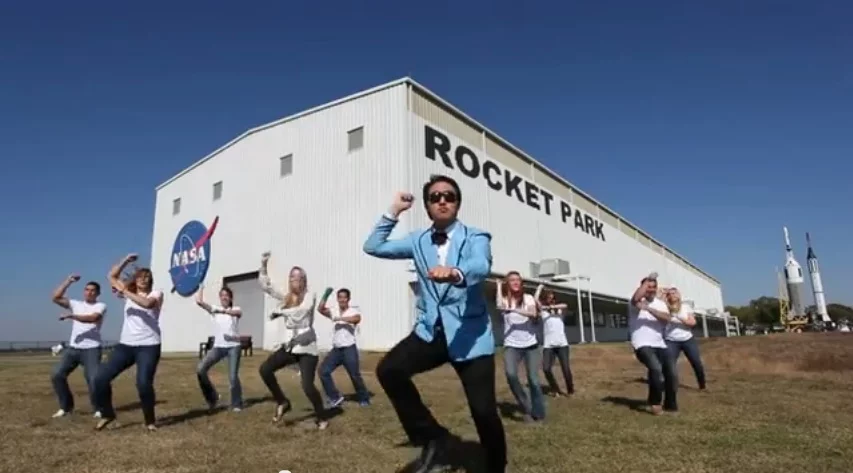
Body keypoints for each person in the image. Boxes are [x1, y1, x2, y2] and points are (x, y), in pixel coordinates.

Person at [363, 174, 507, 473]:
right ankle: (433, 437)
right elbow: (373, 246)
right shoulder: (417, 240)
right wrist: (393, 211)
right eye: (435, 197)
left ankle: (496, 466)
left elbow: (481, 265)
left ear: (457, 204)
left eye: (449, 196)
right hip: (431, 333)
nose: (442, 201)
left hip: (470, 335)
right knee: (389, 370)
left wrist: (455, 272)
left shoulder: (476, 236)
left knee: (483, 412)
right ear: (428, 206)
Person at [257, 252, 328, 429]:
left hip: (307, 348)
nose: (294, 280)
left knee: (307, 386)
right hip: (290, 347)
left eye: (297, 277)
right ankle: (282, 401)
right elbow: (267, 286)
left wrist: (280, 312)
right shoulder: (287, 296)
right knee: (265, 370)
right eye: (291, 277)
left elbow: (302, 312)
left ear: (303, 280)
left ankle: (322, 417)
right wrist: (263, 265)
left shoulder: (310, 295)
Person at [94, 253, 164, 430]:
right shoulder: (130, 292)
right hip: (126, 345)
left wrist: (124, 291)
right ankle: (107, 414)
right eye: (140, 277)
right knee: (100, 378)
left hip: (149, 345)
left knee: (143, 383)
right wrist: (125, 260)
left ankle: (150, 421)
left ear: (151, 281)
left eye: (147, 277)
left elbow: (147, 304)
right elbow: (111, 276)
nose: (143, 279)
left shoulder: (156, 293)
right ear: (136, 279)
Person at [49, 274, 107, 419]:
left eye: (93, 290)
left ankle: (99, 408)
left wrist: (71, 316)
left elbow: (93, 318)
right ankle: (66, 407)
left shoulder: (100, 306)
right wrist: (68, 281)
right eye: (87, 290)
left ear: (98, 293)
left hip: (92, 349)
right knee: (57, 375)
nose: (89, 292)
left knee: (93, 379)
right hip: (73, 349)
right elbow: (55, 297)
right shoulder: (75, 304)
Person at [496, 272, 545, 422]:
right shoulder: (505, 299)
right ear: (508, 284)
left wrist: (514, 309)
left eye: (518, 280)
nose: (516, 282)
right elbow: (499, 305)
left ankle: (539, 413)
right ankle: (527, 407)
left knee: (533, 380)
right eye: (512, 280)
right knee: (511, 375)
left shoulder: (528, 298)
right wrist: (498, 286)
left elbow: (533, 313)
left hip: (531, 345)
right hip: (511, 345)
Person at [628, 272, 677, 415]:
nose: (651, 289)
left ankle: (670, 404)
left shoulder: (660, 304)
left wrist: (649, 309)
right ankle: (655, 403)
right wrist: (647, 281)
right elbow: (636, 298)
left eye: (653, 287)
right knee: (656, 369)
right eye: (648, 287)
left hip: (660, 344)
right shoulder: (635, 303)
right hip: (642, 344)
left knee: (671, 373)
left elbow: (667, 318)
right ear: (642, 287)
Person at [194, 284, 244, 411]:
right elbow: (199, 301)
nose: (224, 298)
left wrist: (222, 311)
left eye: (226, 295)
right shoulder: (214, 309)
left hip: (234, 347)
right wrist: (201, 287)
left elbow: (237, 313)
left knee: (233, 377)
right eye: (222, 295)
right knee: (200, 369)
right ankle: (212, 398)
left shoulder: (236, 308)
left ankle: (237, 403)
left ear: (230, 298)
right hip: (218, 347)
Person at [317, 288, 370, 407]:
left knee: (354, 375)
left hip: (349, 349)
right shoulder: (334, 311)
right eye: (340, 297)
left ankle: (364, 398)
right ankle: (335, 397)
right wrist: (325, 295)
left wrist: (340, 319)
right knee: (323, 371)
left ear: (348, 299)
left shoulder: (353, 311)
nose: (342, 300)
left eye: (344, 297)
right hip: (336, 350)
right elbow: (320, 309)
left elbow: (357, 319)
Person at [664, 287, 706, 390]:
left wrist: (679, 319)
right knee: (669, 364)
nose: (672, 295)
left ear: (678, 295)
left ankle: (702, 385)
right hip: (671, 340)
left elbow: (692, 322)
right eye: (669, 294)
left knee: (696, 362)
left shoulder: (685, 307)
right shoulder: (664, 308)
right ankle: (670, 385)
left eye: (674, 293)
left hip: (687, 339)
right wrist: (663, 292)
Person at [538, 289, 574, 397]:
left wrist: (552, 307)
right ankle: (555, 389)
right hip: (548, 345)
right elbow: (536, 301)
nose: (551, 300)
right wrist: (539, 288)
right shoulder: (543, 312)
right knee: (546, 368)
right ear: (545, 300)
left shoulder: (560, 311)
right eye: (549, 298)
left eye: (553, 298)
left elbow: (565, 305)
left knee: (566, 369)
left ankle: (570, 390)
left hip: (562, 345)